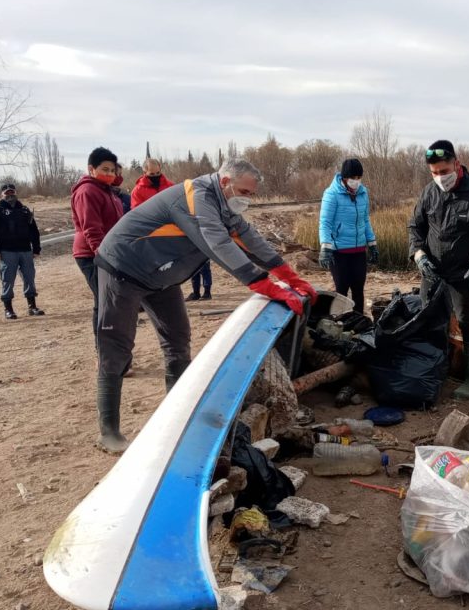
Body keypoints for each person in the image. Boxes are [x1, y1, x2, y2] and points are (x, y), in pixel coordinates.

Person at [92, 157, 316, 454]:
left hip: (162, 276)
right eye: (245, 192)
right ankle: (109, 432)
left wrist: (290, 276)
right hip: (123, 267)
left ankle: (176, 417)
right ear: (225, 183)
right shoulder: (194, 197)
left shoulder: (225, 204)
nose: (248, 199)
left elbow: (249, 238)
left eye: (251, 194)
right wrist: (265, 285)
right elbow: (219, 245)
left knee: (177, 341)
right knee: (117, 348)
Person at [409, 140, 469, 401]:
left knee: (467, 321)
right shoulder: (429, 194)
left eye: (444, 171)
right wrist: (418, 255)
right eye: (435, 173)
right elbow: (415, 229)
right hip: (433, 270)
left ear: (456, 163)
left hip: (465, 270)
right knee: (430, 319)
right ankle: (438, 370)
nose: (440, 177)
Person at [71, 147, 124, 341]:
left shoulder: (107, 191)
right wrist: (103, 256)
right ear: (91, 169)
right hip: (92, 254)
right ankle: (105, 353)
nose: (109, 174)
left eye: (112, 170)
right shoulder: (87, 191)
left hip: (109, 251)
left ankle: (113, 353)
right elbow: (91, 228)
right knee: (104, 302)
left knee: (109, 301)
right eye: (105, 169)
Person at [318, 157, 377, 314]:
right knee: (341, 291)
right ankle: (339, 324)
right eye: (352, 178)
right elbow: (325, 223)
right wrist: (325, 246)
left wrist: (372, 243)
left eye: (359, 178)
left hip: (358, 251)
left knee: (358, 290)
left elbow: (365, 220)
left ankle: (358, 323)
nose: (356, 181)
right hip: (339, 253)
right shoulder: (331, 194)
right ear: (344, 177)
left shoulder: (363, 193)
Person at [0, 182, 44, 319]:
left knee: (29, 278)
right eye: (7, 193)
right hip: (7, 251)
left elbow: (33, 231)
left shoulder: (24, 210)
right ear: (2, 195)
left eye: (12, 192)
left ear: (16, 193)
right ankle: (8, 309)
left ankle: (32, 306)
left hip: (25, 250)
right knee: (8, 280)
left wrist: (36, 248)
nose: (10, 195)